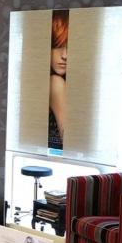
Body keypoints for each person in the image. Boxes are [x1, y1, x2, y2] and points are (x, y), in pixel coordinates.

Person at [48, 9, 68, 151]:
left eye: (69, 47)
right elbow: (70, 139)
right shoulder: (55, 83)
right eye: (57, 45)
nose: (65, 55)